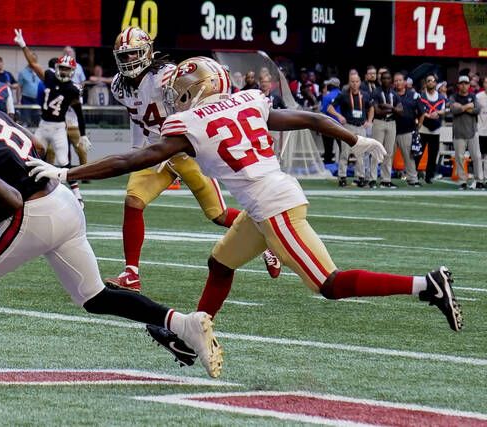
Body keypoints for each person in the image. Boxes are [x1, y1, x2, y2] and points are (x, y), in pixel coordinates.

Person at [26, 57, 463, 366]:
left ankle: (426, 285)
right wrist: (354, 139)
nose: (177, 98)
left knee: (328, 284)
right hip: (261, 206)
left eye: (182, 91)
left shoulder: (188, 123)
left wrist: (68, 172)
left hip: (274, 208)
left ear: (199, 89)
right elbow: (311, 117)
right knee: (220, 262)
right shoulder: (249, 100)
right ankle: (192, 334)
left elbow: (128, 161)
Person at [0, 84, 223, 379]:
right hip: (62, 198)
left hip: (32, 211)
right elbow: (31, 143)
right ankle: (184, 324)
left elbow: (9, 200)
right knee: (95, 296)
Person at [102, 27, 280, 292]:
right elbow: (136, 119)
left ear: (148, 52)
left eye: (135, 54)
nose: (129, 61)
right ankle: (131, 273)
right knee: (133, 201)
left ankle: (266, 238)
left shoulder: (167, 76)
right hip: (155, 151)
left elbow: (203, 96)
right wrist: (136, 150)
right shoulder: (119, 85)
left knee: (218, 215)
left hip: (186, 149)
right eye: (125, 56)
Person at [13, 29, 91, 206]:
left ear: (72, 71)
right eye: (61, 68)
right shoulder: (49, 77)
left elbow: (79, 113)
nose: (63, 71)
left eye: (66, 69)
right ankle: (24, 189)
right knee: (29, 156)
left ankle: (78, 196)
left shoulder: (72, 89)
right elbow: (33, 63)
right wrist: (23, 45)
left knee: (64, 162)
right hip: (42, 126)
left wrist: (84, 134)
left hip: (58, 129)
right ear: (57, 68)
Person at [327, 72, 373, 187]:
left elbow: (371, 107)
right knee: (345, 153)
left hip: (361, 126)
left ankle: (360, 177)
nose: (354, 84)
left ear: (360, 82)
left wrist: (370, 120)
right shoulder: (343, 94)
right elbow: (329, 108)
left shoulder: (365, 94)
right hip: (348, 127)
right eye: (352, 81)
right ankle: (342, 177)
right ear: (349, 82)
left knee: (360, 154)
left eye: (357, 81)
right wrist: (339, 116)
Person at [450, 75, 483, 190]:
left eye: (466, 83)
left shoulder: (473, 96)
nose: (464, 85)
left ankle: (479, 180)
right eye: (462, 83)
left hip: (472, 132)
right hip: (459, 133)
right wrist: (468, 106)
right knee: (459, 158)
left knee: (477, 157)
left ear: (469, 85)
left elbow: (478, 110)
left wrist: (462, 108)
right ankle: (462, 181)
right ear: (458, 85)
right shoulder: (453, 97)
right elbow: (453, 110)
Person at [371, 70, 402, 188]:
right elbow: (377, 111)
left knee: (389, 152)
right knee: (375, 150)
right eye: (384, 78)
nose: (386, 80)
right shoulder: (376, 92)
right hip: (379, 122)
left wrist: (390, 107)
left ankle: (386, 179)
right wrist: (393, 109)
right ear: (381, 80)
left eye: (388, 78)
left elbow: (401, 111)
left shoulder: (395, 94)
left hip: (391, 123)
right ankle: (372, 178)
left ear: (391, 81)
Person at [394, 72, 425, 187]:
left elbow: (422, 112)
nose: (398, 83)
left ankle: (412, 179)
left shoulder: (414, 95)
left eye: (400, 80)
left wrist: (419, 126)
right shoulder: (391, 94)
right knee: (388, 156)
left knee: (409, 157)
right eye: (396, 81)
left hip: (407, 130)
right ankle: (385, 179)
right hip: (392, 129)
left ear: (405, 82)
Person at [419, 73, 446, 184]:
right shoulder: (421, 96)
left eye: (432, 80)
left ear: (435, 83)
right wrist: (426, 115)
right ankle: (414, 174)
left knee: (433, 154)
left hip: (435, 129)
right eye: (428, 80)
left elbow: (444, 110)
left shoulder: (441, 97)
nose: (430, 82)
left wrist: (437, 113)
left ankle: (429, 176)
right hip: (424, 128)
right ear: (426, 83)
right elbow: (419, 109)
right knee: (419, 152)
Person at [17, 52, 42, 127]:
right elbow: (19, 87)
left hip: (38, 99)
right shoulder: (23, 72)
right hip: (26, 99)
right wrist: (18, 101)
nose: (33, 61)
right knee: (26, 121)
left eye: (35, 59)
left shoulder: (39, 71)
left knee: (37, 120)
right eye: (32, 59)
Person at [320, 77, 341, 164]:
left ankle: (328, 164)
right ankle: (342, 164)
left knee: (328, 147)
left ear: (331, 86)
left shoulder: (327, 97)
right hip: (341, 124)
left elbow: (323, 111)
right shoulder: (343, 95)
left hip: (329, 124)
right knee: (342, 147)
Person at [476, 77, 487, 188]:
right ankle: (479, 180)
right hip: (480, 131)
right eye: (486, 82)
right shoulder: (478, 97)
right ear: (483, 84)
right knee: (479, 157)